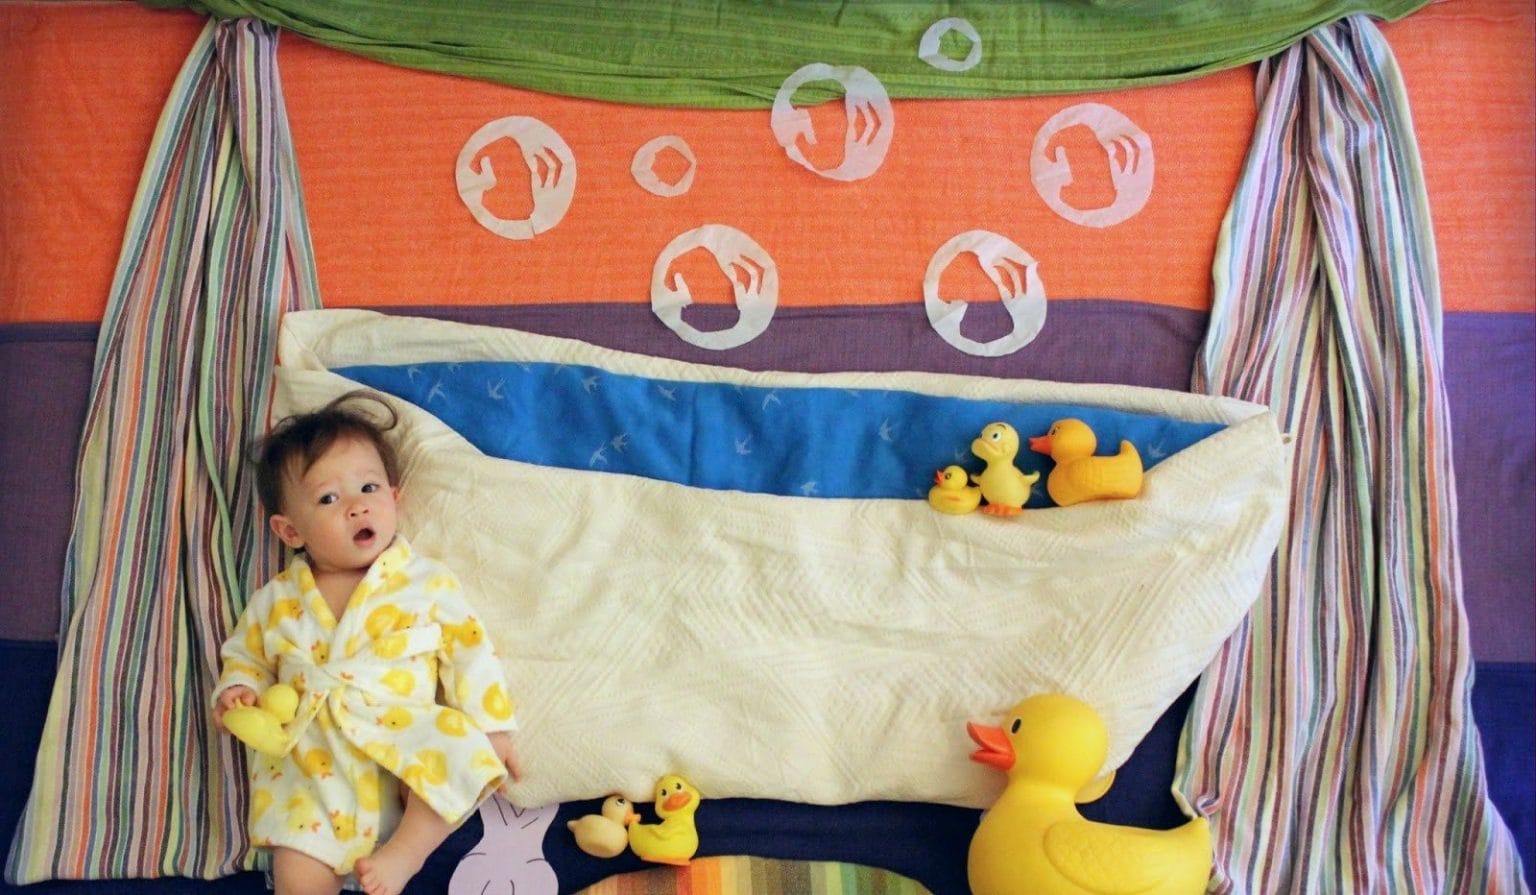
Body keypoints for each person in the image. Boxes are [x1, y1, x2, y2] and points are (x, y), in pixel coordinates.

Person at [213, 391, 523, 895]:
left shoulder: (425, 581)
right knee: (297, 865)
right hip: (316, 764)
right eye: (328, 499)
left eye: (369, 487)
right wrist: (238, 691)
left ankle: (405, 854)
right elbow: (246, 655)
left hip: (402, 738)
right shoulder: (276, 599)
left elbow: (469, 650)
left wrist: (493, 726)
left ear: (394, 500)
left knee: (463, 751)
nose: (356, 505)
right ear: (290, 531)